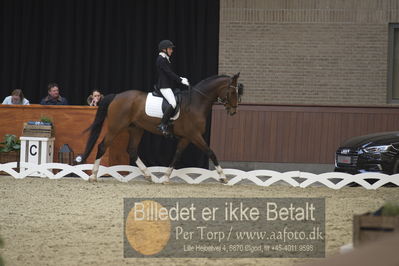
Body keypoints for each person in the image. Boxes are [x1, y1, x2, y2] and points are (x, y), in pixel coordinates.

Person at [155, 39, 190, 136]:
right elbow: (169, 73)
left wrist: (180, 78)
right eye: (170, 49)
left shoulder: (165, 58)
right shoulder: (161, 59)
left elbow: (170, 73)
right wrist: (180, 80)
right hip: (164, 86)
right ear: (164, 49)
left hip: (168, 85)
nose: (172, 50)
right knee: (173, 103)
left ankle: (170, 120)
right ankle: (162, 124)